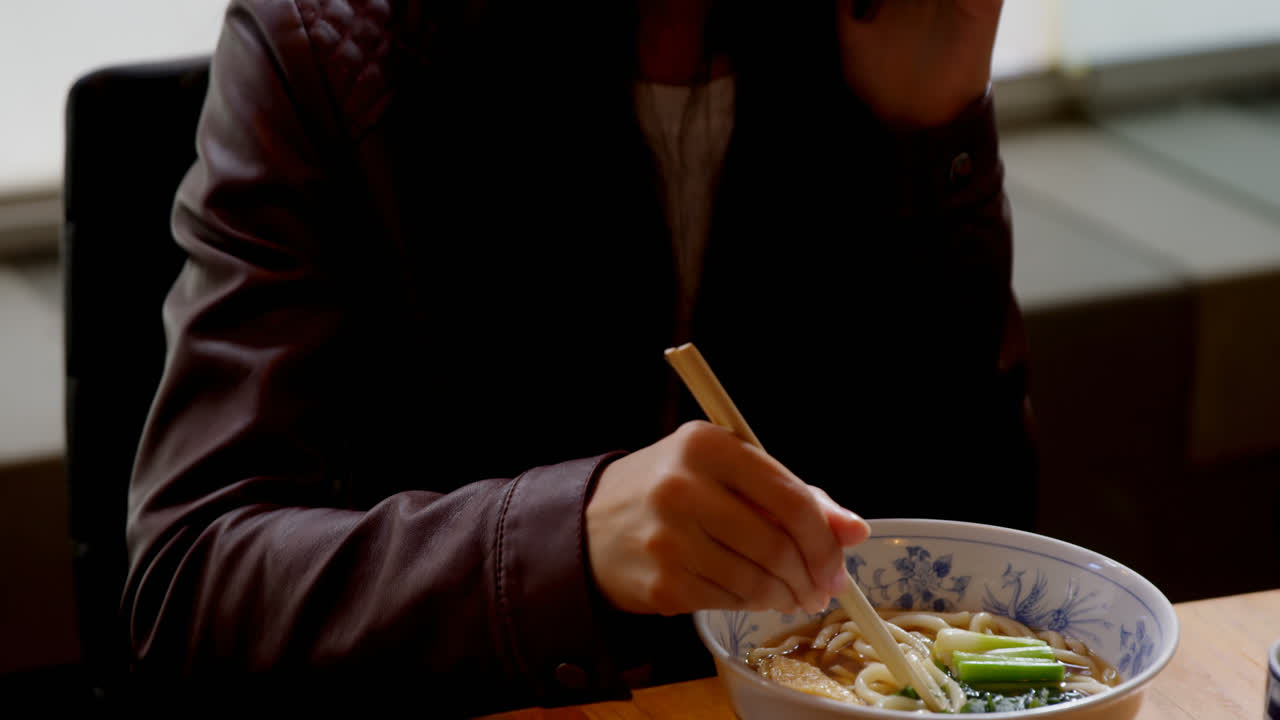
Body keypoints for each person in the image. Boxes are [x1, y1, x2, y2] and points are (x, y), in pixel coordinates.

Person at [123, 0, 1035, 714]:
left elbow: (980, 547)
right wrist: (569, 541)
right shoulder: (325, 44)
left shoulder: (865, 29)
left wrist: (932, 142)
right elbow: (189, 579)